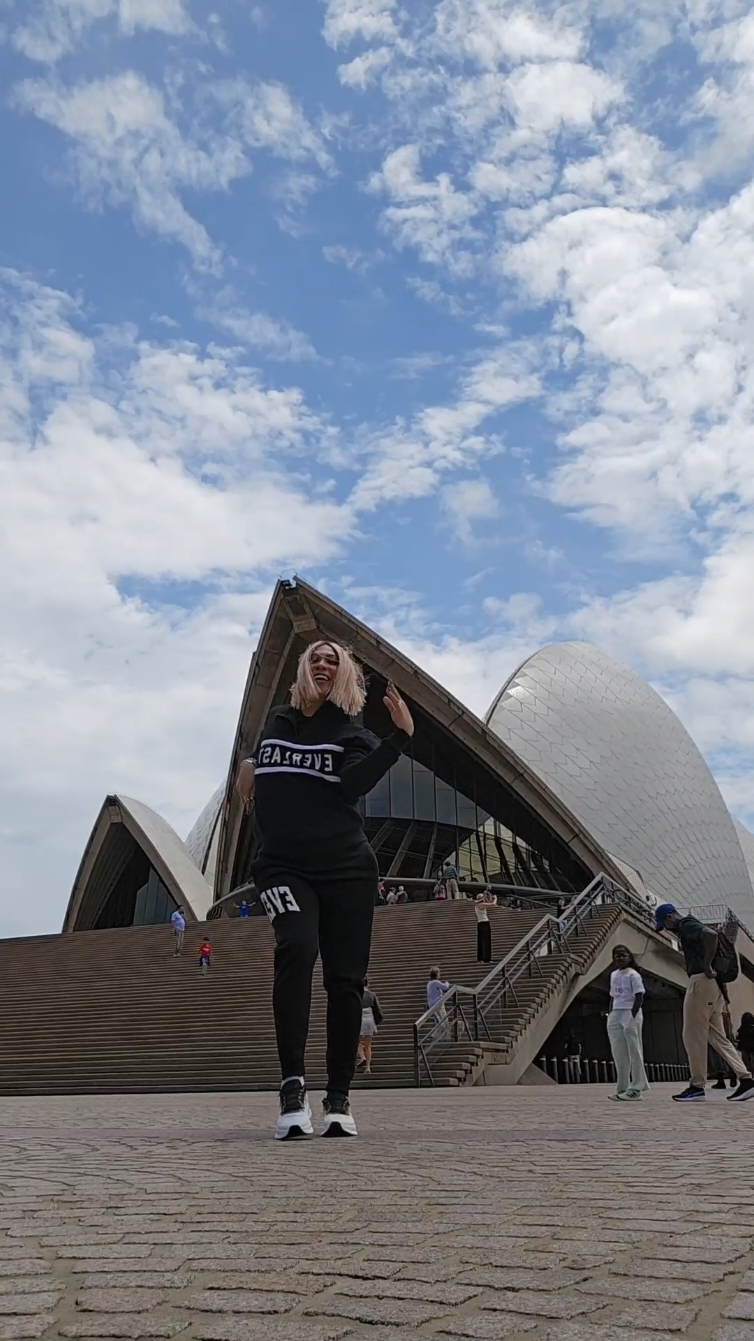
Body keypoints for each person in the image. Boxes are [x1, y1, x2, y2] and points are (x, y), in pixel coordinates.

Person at [235, 641, 414, 1140]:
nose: (322, 663)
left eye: (332, 659)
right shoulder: (277, 719)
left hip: (347, 868)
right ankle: (293, 1090)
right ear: (302, 667)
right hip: (282, 866)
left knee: (345, 980)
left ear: (343, 675)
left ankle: (338, 1097)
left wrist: (398, 739)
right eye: (315, 656)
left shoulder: (350, 732)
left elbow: (353, 784)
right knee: (296, 946)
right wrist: (248, 771)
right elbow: (260, 767)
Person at [655, 904, 754, 1102]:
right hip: (714, 986)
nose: (666, 929)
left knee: (692, 1035)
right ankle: (746, 1080)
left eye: (664, 925)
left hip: (701, 982)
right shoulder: (689, 924)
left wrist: (707, 964)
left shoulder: (685, 924)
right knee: (718, 1037)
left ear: (668, 918)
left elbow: (710, 935)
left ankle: (697, 1086)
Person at [606, 945, 649, 1100]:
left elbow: (639, 996)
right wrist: (611, 1013)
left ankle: (636, 1088)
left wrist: (632, 1014)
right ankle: (622, 1087)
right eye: (616, 955)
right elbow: (612, 996)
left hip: (630, 1012)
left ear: (629, 957)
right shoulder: (613, 974)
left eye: (623, 955)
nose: (619, 958)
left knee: (635, 1050)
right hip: (615, 1013)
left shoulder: (634, 975)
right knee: (618, 1052)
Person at [356, 977, 383, 1075]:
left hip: (359, 1018)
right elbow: (378, 1009)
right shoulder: (372, 995)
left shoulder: (357, 995)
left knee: (357, 1041)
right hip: (369, 1019)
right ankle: (368, 1067)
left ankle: (362, 1056)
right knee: (368, 1045)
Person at [475, 887, 496, 963]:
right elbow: (493, 904)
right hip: (485, 922)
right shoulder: (481, 905)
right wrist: (495, 898)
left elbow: (488, 902)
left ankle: (480, 958)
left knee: (480, 941)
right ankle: (486, 958)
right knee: (486, 941)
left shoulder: (477, 905)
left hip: (480, 923)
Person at [426, 967, 450, 1033]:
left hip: (431, 1004)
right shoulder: (436, 982)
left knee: (437, 1019)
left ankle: (435, 1033)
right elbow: (444, 986)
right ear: (436, 975)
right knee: (443, 1019)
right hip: (437, 1003)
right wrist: (447, 983)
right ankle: (435, 1033)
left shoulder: (429, 984)